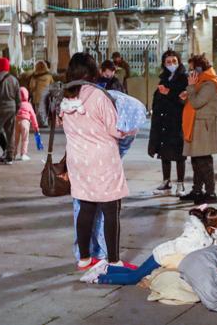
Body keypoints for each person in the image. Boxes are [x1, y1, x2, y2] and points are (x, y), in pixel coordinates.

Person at [59, 52, 130, 273]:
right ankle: (114, 260)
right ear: (92, 72)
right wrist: (131, 128)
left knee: (86, 207)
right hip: (103, 161)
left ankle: (84, 259)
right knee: (111, 210)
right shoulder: (99, 96)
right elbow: (116, 130)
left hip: (78, 161)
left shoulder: (66, 98)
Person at [83, 206, 217, 284]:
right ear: (209, 226)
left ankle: (106, 268)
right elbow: (182, 247)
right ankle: (97, 278)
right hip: (161, 256)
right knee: (133, 278)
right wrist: (204, 249)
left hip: (164, 255)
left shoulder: (206, 233)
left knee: (137, 273)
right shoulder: (195, 233)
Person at [180, 54, 217, 205]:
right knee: (197, 160)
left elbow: (196, 103)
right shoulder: (204, 82)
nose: (190, 73)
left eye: (192, 69)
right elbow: (195, 99)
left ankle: (210, 192)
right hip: (199, 126)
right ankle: (197, 190)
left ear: (200, 69)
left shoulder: (210, 84)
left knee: (204, 161)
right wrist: (189, 93)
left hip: (204, 128)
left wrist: (191, 87)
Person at [148, 50, 189, 197]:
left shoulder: (184, 78)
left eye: (174, 61)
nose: (171, 64)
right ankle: (166, 181)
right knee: (164, 153)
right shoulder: (164, 78)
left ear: (178, 62)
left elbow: (183, 98)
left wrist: (168, 93)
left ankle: (180, 183)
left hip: (177, 121)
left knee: (179, 153)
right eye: (168, 62)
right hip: (164, 121)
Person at [15, 87, 39, 161]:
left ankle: (13, 154)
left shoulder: (16, 104)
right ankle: (23, 154)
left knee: (15, 140)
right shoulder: (28, 105)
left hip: (16, 122)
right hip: (25, 122)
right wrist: (36, 126)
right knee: (25, 139)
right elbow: (33, 115)